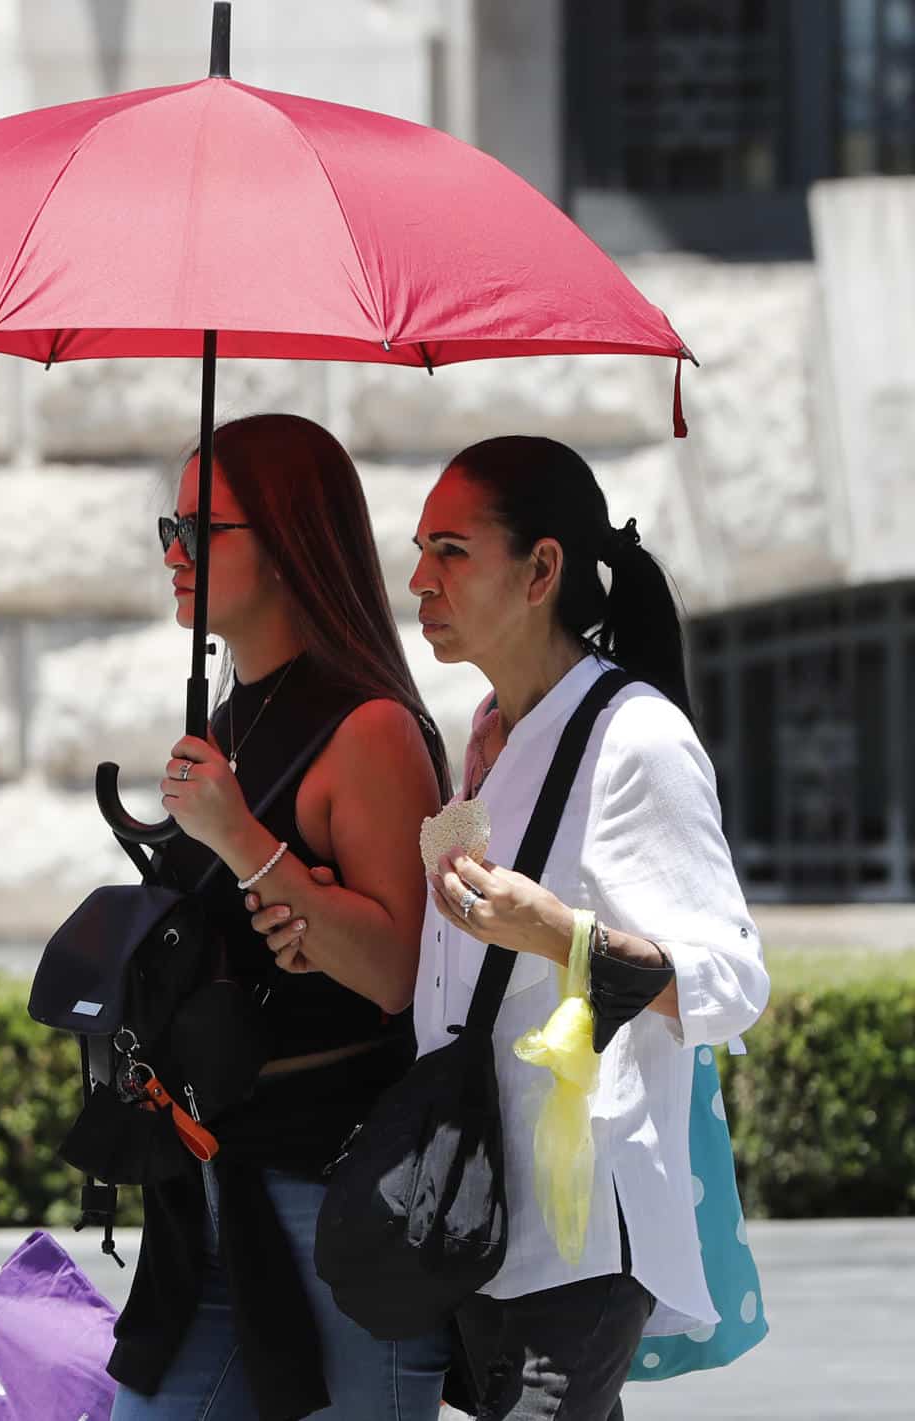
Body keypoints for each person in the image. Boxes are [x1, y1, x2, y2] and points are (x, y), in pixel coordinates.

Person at [382, 434, 769, 1420]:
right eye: (422, 549)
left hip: (583, 1233)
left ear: (541, 570)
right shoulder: (490, 733)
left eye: (451, 550)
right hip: (483, 1212)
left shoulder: (636, 739)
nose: (420, 578)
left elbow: (732, 980)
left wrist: (562, 934)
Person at [107, 414, 452, 1420]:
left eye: (200, 529)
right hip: (212, 1184)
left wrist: (240, 835)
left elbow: (395, 969)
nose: (174, 553)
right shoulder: (227, 722)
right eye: (169, 528)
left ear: (290, 540)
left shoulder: (369, 728)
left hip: (339, 1193)